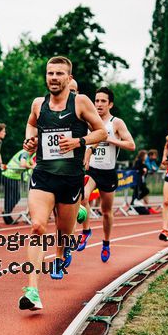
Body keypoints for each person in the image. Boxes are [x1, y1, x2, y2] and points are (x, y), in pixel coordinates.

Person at [19, 56, 106, 311]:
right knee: (36, 227)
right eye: (50, 73)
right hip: (43, 175)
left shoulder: (80, 102)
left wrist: (79, 142)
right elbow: (30, 125)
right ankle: (33, 290)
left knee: (64, 233)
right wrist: (30, 140)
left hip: (70, 179)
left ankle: (60, 253)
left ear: (68, 78)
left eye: (59, 74)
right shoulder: (38, 104)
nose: (53, 78)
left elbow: (102, 132)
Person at [78, 87, 135, 263]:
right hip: (93, 170)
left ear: (110, 104)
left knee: (106, 212)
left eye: (103, 101)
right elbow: (88, 143)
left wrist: (110, 139)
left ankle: (106, 243)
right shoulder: (90, 122)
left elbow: (131, 145)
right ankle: (86, 231)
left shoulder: (116, 123)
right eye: (97, 101)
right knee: (83, 197)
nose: (99, 104)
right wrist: (86, 156)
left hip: (109, 173)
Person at [1, 149, 35, 225]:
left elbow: (33, 164)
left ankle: (7, 214)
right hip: (10, 175)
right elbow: (22, 165)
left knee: (11, 197)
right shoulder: (25, 153)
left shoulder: (29, 155)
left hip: (13, 177)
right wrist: (31, 167)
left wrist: (33, 166)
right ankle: (6, 213)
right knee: (16, 197)